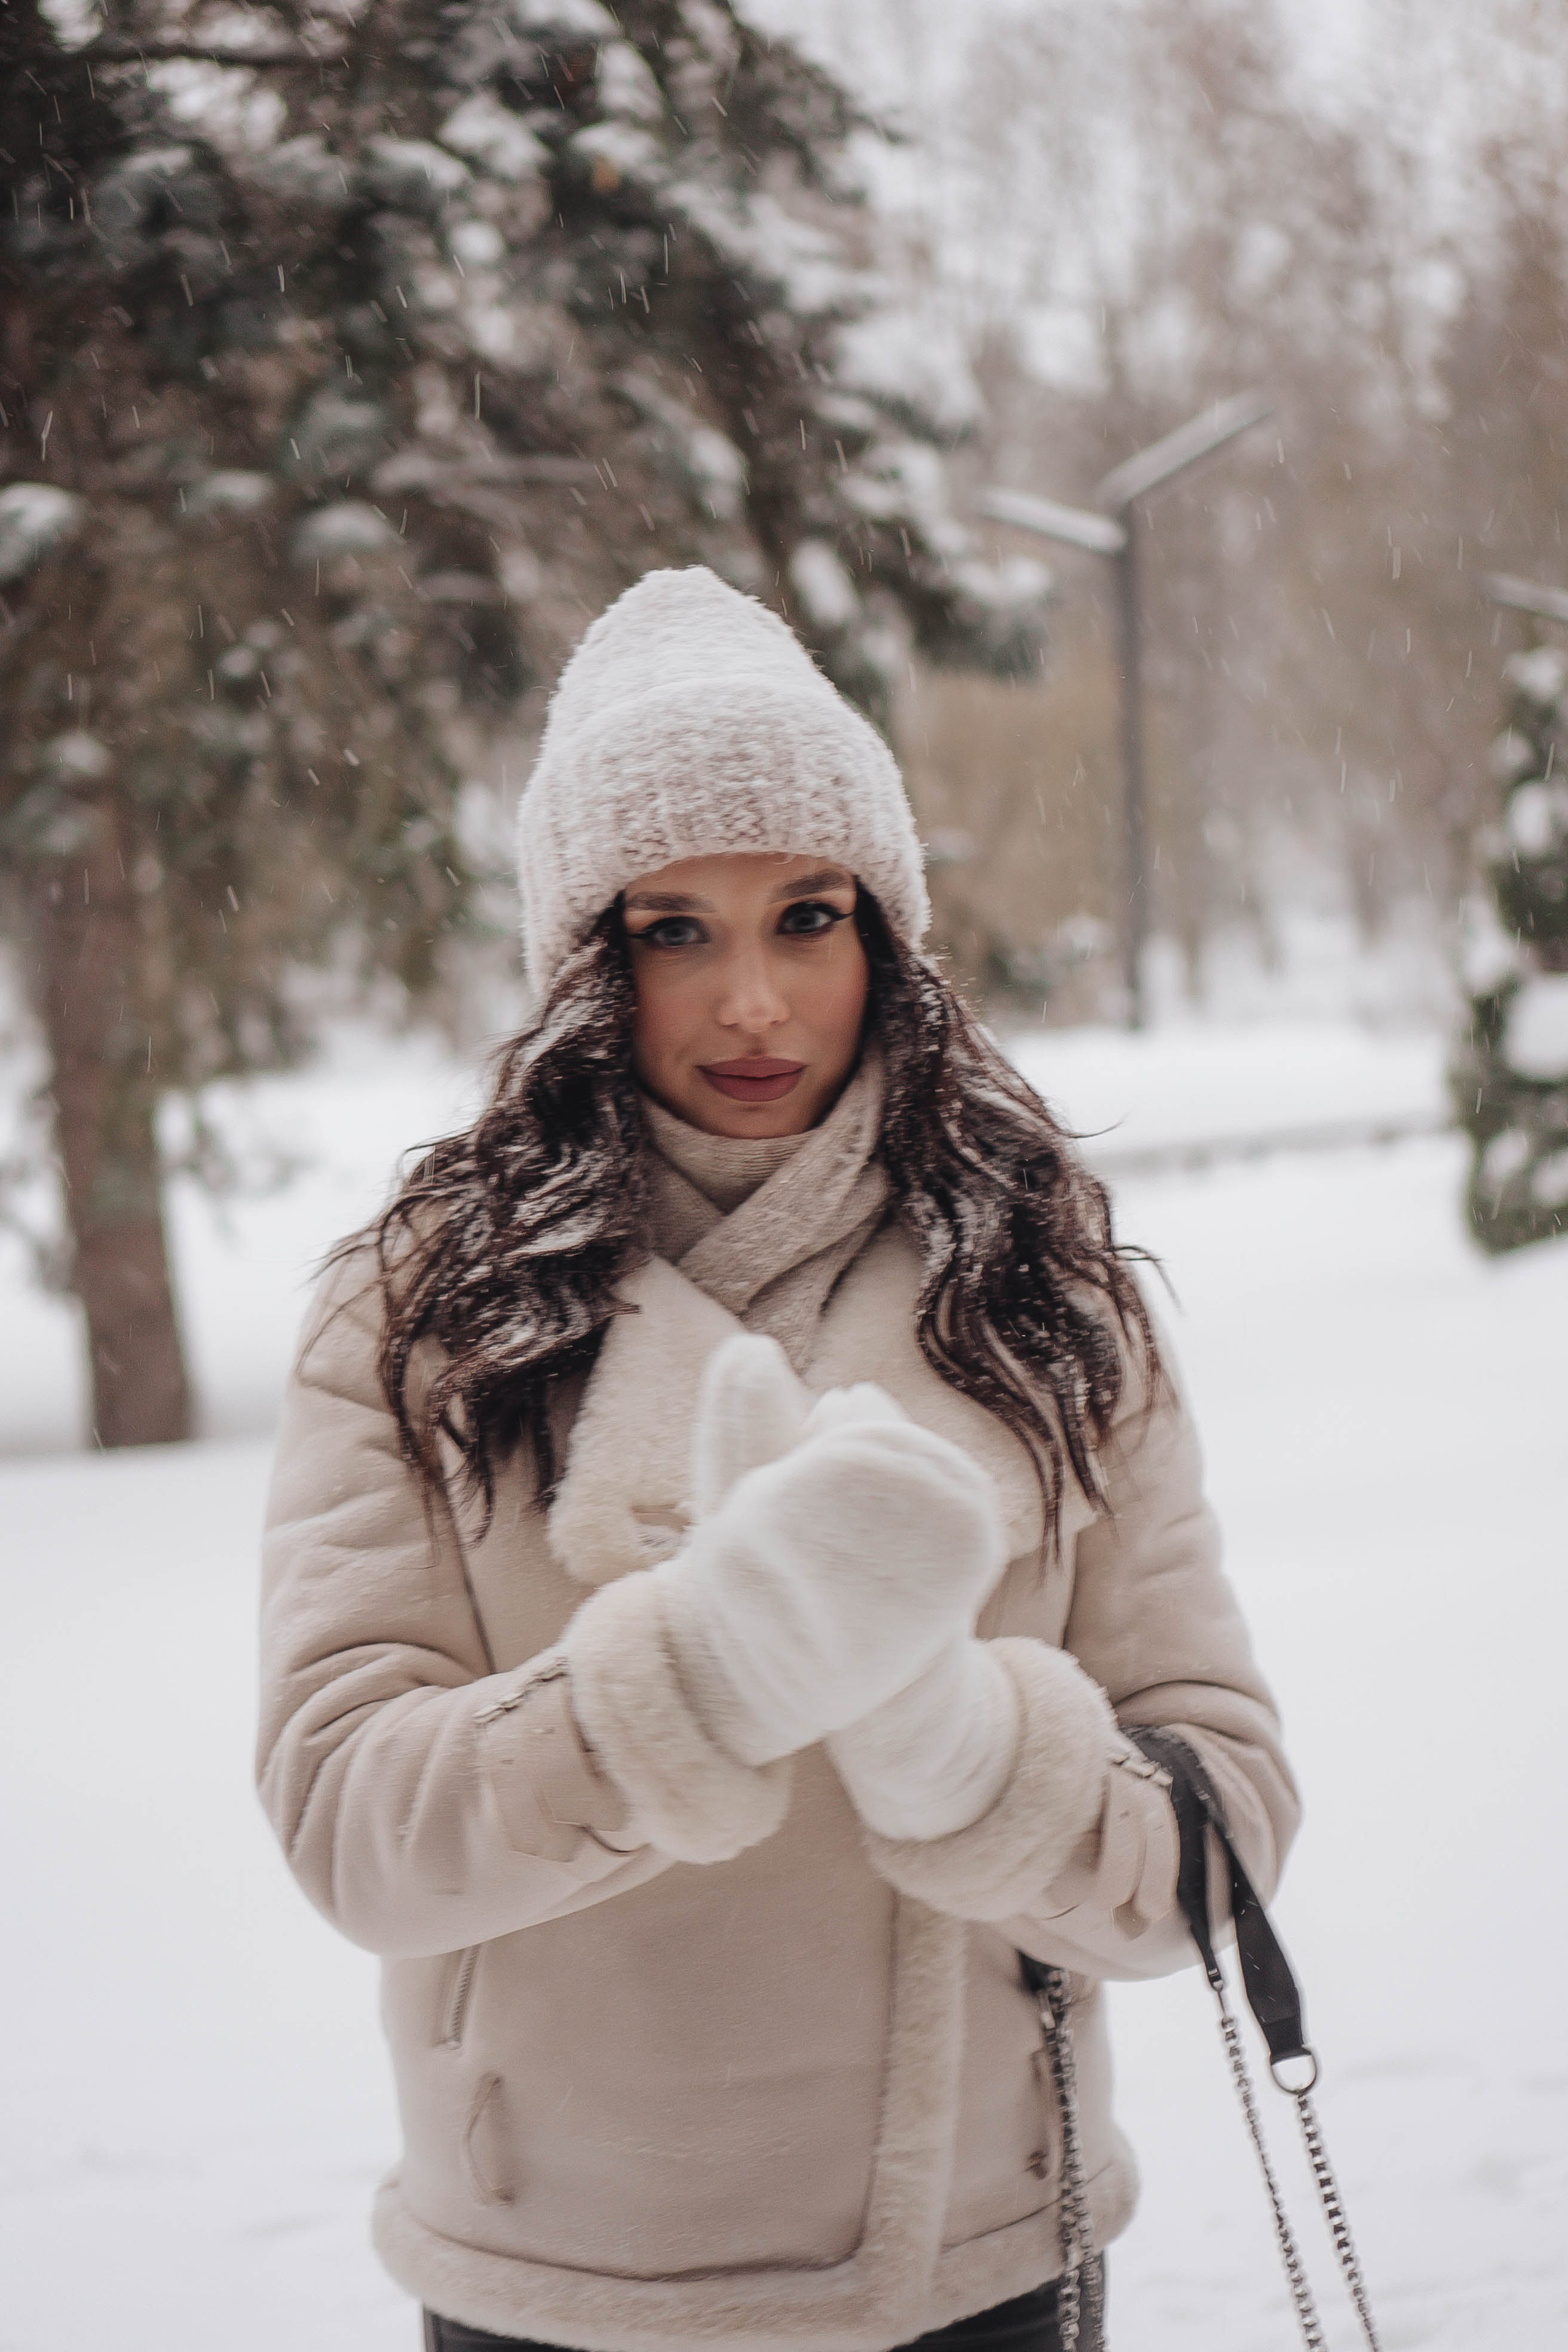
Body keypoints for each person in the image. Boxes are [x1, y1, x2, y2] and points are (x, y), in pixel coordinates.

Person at [258, 568, 1298, 2352]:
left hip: (977, 2267)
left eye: (806, 916)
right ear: (588, 958)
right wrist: (687, 1686)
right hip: (560, 2281)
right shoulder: (422, 1307)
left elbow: (1222, 1829)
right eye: (675, 928)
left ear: (885, 934)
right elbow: (350, 1820)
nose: (752, 1001)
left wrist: (971, 1754)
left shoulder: (1041, 1288)